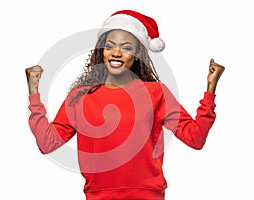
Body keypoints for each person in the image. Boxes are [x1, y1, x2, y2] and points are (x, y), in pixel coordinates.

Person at [25, 10, 225, 200]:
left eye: (126, 48)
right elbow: (47, 142)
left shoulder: (156, 93)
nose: (116, 53)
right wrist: (34, 92)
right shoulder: (80, 96)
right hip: (99, 196)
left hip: (147, 195)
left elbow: (195, 138)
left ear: (138, 53)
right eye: (110, 46)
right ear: (101, 50)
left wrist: (210, 89)